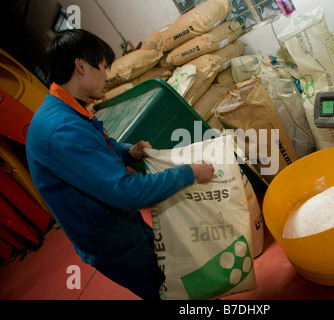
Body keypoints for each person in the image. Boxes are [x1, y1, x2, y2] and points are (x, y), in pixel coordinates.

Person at [26, 29, 214, 300]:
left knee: (178, 276)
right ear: (81, 66)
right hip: (113, 243)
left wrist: (129, 152)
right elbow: (126, 192)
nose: (107, 75)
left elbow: (99, 143)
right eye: (103, 67)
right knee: (170, 292)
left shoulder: (65, 109)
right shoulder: (62, 129)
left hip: (120, 227)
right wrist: (190, 173)